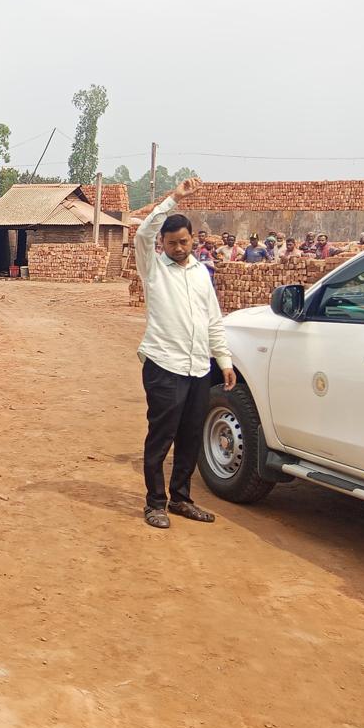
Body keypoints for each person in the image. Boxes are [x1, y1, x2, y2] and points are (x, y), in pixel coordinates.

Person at [134, 177, 237, 530]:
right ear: (161, 244)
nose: (179, 248)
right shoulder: (153, 268)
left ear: (193, 239)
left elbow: (213, 318)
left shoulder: (200, 272)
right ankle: (155, 503)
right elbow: (142, 233)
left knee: (191, 436)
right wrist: (173, 198)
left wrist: (222, 360)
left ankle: (181, 498)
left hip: (198, 368)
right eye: (172, 243)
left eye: (184, 241)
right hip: (164, 366)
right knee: (161, 436)